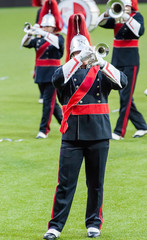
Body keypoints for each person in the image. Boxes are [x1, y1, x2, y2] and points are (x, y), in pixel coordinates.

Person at [43, 13, 127, 240]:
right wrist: (78, 59)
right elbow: (57, 78)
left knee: (96, 183)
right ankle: (55, 226)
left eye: (85, 52)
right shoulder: (66, 72)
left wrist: (102, 62)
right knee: (65, 184)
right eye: (78, 53)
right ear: (71, 55)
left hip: (99, 133)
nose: (83, 56)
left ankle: (93, 223)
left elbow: (123, 81)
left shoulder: (100, 71)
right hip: (72, 136)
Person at [96, 0, 147, 140]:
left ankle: (119, 131)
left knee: (126, 96)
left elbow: (140, 31)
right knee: (124, 96)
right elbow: (99, 22)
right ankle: (142, 126)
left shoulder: (137, 16)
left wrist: (126, 17)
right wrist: (108, 12)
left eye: (126, 5)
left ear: (131, 6)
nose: (124, 8)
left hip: (131, 61)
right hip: (116, 60)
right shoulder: (115, 17)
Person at [21, 0, 64, 138]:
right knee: (52, 103)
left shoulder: (58, 38)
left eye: (48, 27)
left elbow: (57, 44)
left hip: (53, 74)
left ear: (53, 27)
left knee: (47, 102)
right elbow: (24, 44)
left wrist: (42, 32)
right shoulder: (38, 40)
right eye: (44, 26)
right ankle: (66, 125)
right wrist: (29, 33)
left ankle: (43, 130)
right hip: (40, 74)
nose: (45, 28)